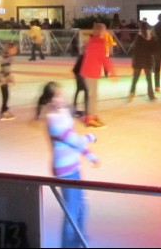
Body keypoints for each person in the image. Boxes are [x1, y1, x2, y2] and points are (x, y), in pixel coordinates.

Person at [36, 81, 99, 249]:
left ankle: (78, 240)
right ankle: (68, 244)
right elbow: (73, 140)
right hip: (64, 169)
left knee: (82, 206)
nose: (61, 98)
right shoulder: (52, 120)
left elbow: (74, 138)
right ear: (49, 100)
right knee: (71, 212)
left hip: (74, 165)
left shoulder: (64, 112)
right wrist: (90, 138)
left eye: (61, 94)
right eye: (57, 96)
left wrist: (89, 154)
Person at [80, 23, 115, 128]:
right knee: (93, 95)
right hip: (91, 72)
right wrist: (112, 72)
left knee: (93, 94)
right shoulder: (99, 42)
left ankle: (92, 115)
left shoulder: (92, 40)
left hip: (89, 71)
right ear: (101, 31)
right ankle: (90, 118)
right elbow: (104, 59)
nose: (105, 32)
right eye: (104, 30)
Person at [128, 21, 156, 101]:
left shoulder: (137, 37)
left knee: (135, 79)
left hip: (138, 61)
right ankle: (151, 96)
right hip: (147, 60)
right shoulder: (150, 37)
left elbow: (135, 50)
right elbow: (153, 50)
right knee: (149, 80)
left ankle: (131, 93)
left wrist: (133, 61)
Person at [0, 42, 17, 120]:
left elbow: (5, 68)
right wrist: (8, 78)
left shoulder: (6, 55)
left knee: (5, 95)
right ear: (10, 49)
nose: (16, 50)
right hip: (3, 78)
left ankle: (4, 110)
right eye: (14, 48)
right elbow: (4, 68)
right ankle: (3, 112)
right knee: (5, 95)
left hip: (2, 77)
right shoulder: (8, 57)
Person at [71, 53, 88, 118]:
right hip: (79, 73)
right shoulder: (85, 56)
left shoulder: (83, 56)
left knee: (79, 89)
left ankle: (75, 104)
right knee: (85, 90)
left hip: (77, 72)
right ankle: (86, 107)